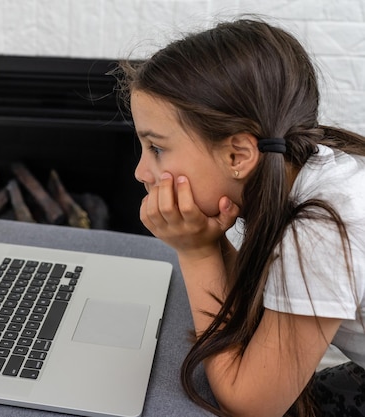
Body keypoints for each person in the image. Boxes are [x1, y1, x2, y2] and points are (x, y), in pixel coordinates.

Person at [118, 18, 365, 417]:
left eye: (157, 148)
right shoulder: (312, 164)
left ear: (237, 156)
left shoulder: (323, 231)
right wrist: (209, 242)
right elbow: (263, 301)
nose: (142, 172)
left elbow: (251, 404)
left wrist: (198, 254)